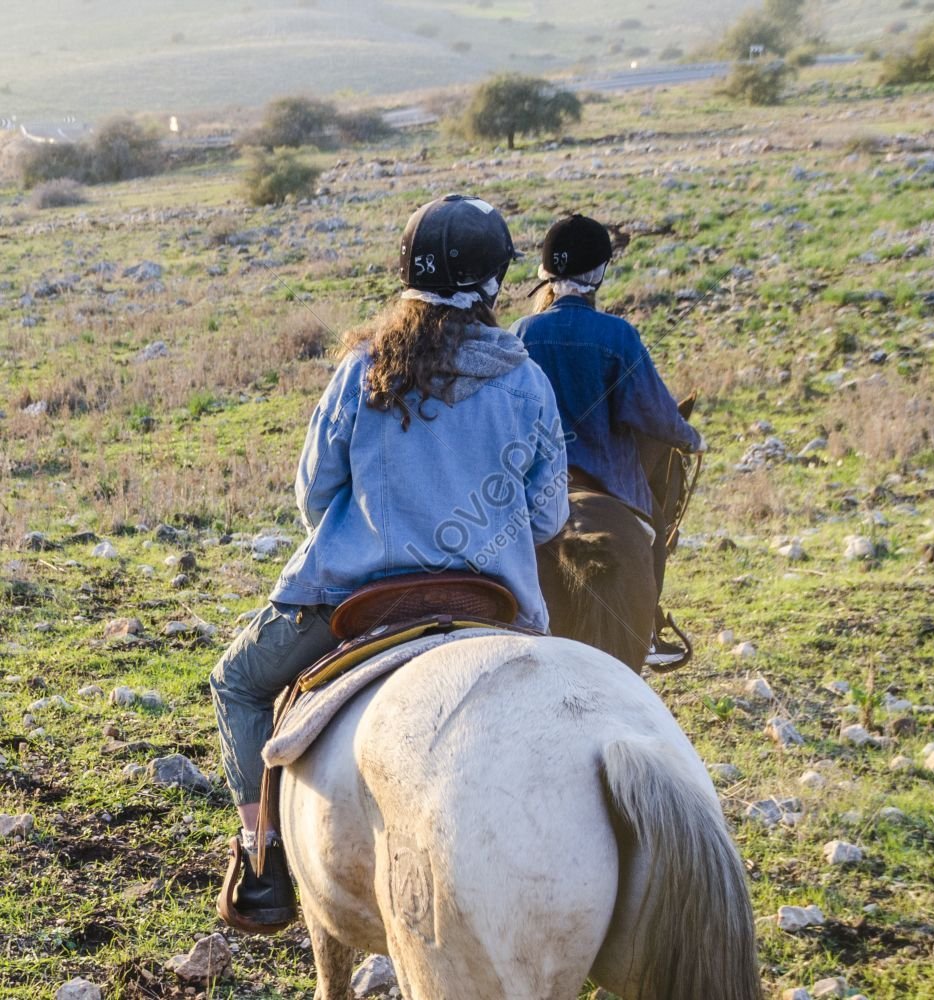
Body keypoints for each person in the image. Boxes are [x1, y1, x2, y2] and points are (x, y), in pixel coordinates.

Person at [211, 194, 569, 933]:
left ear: (405, 273)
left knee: (239, 682)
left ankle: (263, 858)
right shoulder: (528, 382)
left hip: (359, 597)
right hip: (490, 603)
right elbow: (548, 517)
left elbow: (314, 494)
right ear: (496, 283)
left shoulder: (362, 369)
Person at [511, 213, 704, 667]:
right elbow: (658, 414)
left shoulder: (522, 334)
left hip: (531, 493)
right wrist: (692, 439)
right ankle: (651, 629)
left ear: (546, 275)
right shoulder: (618, 337)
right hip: (611, 486)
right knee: (652, 532)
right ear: (598, 273)